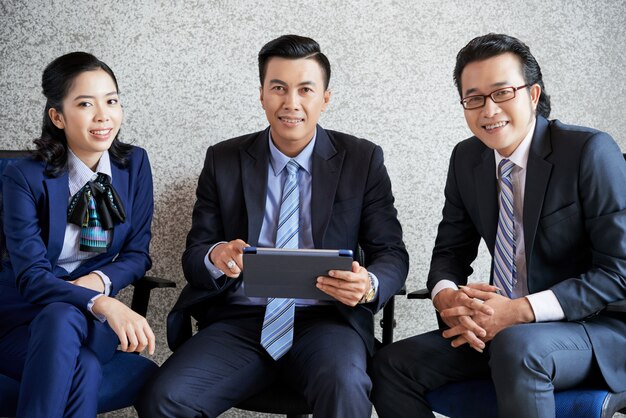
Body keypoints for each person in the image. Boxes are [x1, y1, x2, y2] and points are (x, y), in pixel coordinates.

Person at [137, 34, 408, 418]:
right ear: (262, 94)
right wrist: (218, 256)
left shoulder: (362, 160)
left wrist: (369, 285)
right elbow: (195, 255)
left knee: (345, 386)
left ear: (325, 98)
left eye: (305, 90)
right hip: (241, 321)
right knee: (164, 398)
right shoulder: (224, 159)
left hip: (327, 322)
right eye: (278, 88)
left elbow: (391, 253)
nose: (291, 103)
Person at [371, 33, 626, 418]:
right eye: (474, 98)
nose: (488, 110)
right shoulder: (467, 159)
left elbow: (619, 272)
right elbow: (450, 253)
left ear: (533, 95)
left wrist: (521, 310)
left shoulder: (590, 151)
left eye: (502, 93)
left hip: (596, 329)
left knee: (517, 349)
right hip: (502, 329)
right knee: (390, 364)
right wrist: (446, 297)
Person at [0, 52, 156, 417]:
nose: (103, 115)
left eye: (111, 100)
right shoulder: (23, 177)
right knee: (81, 367)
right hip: (22, 317)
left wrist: (99, 281)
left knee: (65, 319)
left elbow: (137, 254)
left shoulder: (133, 165)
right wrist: (103, 301)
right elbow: (32, 277)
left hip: (90, 326)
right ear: (58, 116)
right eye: (86, 103)